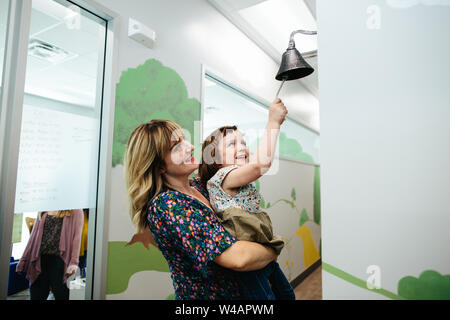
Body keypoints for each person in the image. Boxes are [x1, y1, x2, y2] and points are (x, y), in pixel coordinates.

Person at [124, 119, 278, 300]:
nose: (189, 147)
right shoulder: (167, 206)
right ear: (160, 166)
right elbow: (238, 258)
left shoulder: (199, 186)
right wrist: (273, 247)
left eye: (184, 140)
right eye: (176, 146)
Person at [198, 98, 295, 300]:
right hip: (250, 270)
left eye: (243, 141)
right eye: (232, 144)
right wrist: (273, 122)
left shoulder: (237, 179)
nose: (242, 146)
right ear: (213, 158)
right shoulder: (223, 177)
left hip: (262, 254)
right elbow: (260, 165)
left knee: (287, 295)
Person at [16, 209, 83, 300]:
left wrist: (74, 262)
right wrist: (23, 259)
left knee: (62, 295)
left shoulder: (75, 210)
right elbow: (33, 237)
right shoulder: (44, 209)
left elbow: (77, 238)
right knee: (36, 295)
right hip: (39, 260)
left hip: (60, 262)